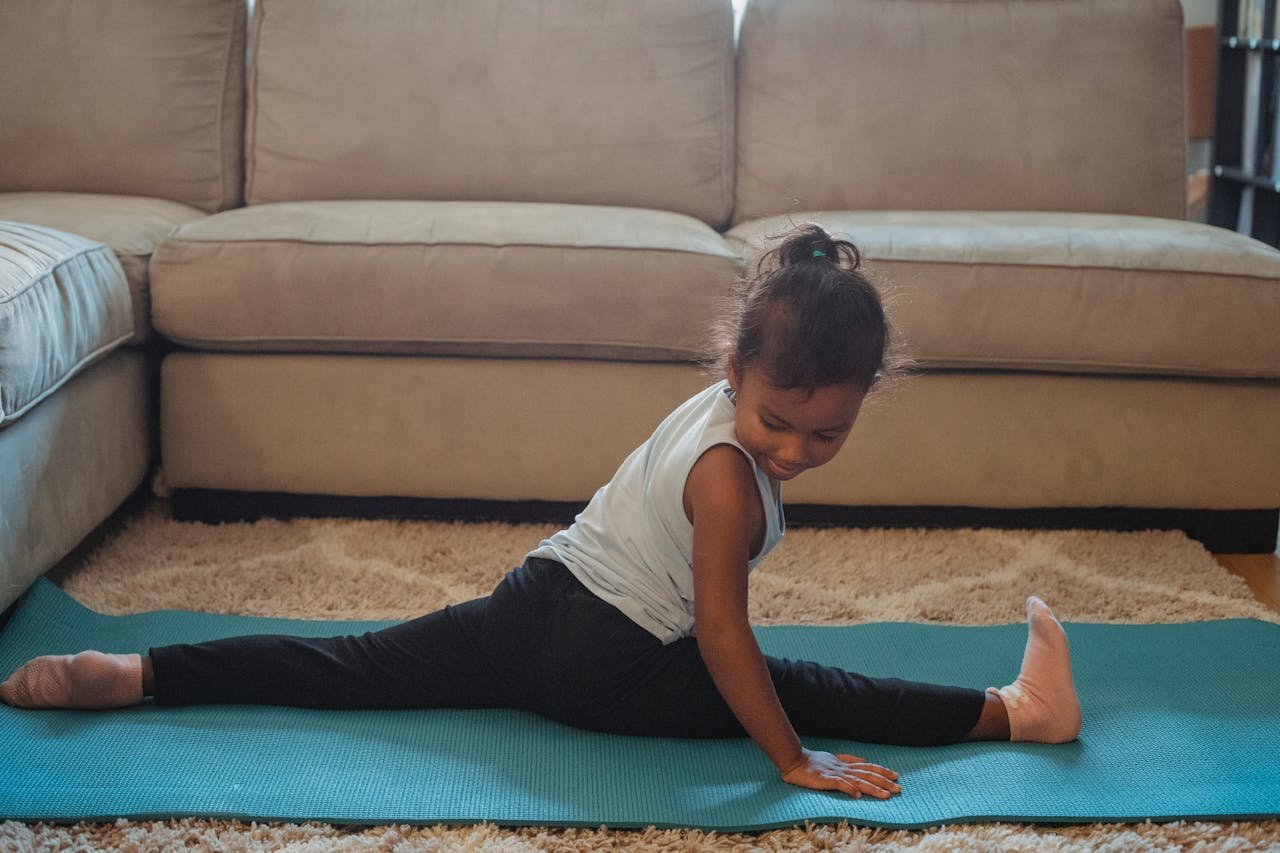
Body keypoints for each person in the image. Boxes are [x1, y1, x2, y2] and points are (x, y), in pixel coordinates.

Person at [0, 223, 1082, 800]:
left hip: (528, 602)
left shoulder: (713, 405)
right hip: (601, 669)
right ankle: (1013, 713)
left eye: (824, 435)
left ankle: (142, 674)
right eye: (777, 423)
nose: (793, 452)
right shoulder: (725, 484)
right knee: (804, 685)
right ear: (735, 369)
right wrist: (789, 759)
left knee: (352, 665)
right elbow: (718, 634)